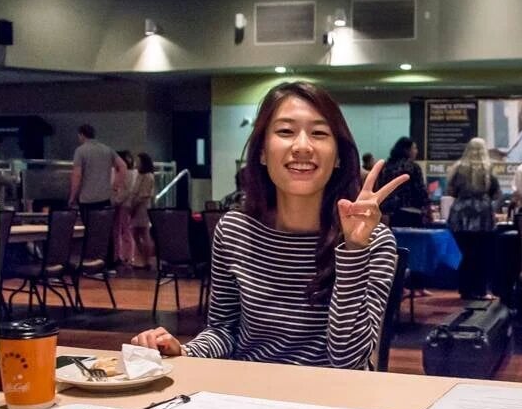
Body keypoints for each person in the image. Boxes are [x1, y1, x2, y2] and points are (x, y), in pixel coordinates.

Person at [131, 81, 406, 369]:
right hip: (248, 388)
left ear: (338, 156)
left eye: (319, 133)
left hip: (332, 393)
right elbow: (224, 330)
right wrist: (184, 351)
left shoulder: (372, 240)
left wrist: (354, 250)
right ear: (262, 151)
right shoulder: (235, 231)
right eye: (285, 131)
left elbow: (347, 359)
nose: (302, 147)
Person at [447, 137, 501, 299]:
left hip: (461, 213)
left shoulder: (458, 167)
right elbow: (495, 193)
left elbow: (451, 191)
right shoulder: (488, 168)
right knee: (481, 254)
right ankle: (480, 290)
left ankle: (464, 288)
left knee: (465, 253)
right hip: (482, 214)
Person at [69, 124, 126, 221]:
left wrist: (72, 197)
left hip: (87, 199)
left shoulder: (80, 151)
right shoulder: (107, 149)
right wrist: (115, 185)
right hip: (105, 198)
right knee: (103, 227)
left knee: (90, 228)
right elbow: (123, 166)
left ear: (82, 135)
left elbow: (77, 175)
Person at [377, 137, 428, 227]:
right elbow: (420, 190)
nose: (416, 151)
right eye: (414, 148)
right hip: (410, 212)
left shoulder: (386, 167)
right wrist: (427, 208)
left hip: (388, 213)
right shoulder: (413, 167)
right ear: (407, 150)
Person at [129, 152, 155, 269]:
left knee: (143, 232)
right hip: (137, 206)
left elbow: (142, 195)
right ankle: (143, 258)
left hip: (142, 207)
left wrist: (133, 205)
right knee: (136, 233)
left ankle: (146, 260)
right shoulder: (140, 175)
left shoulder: (148, 176)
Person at [112, 150, 137, 264]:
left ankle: (129, 256)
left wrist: (116, 200)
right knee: (117, 230)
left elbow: (127, 190)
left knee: (125, 230)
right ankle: (118, 255)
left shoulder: (130, 174)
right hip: (119, 203)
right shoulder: (117, 172)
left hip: (125, 204)